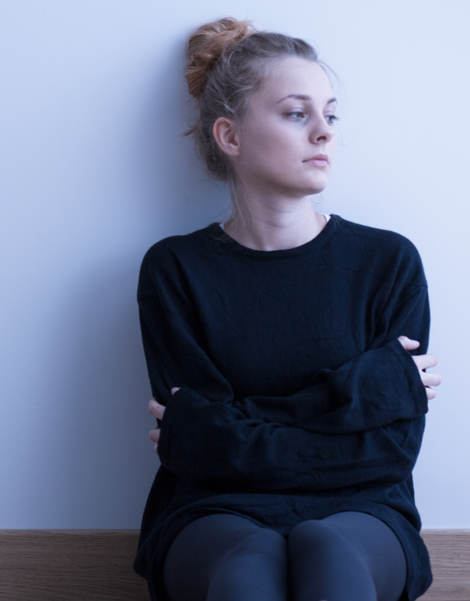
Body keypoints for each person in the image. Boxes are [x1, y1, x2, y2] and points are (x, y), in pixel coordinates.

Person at [132, 17, 442, 601]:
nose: (324, 132)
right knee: (250, 565)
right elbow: (199, 456)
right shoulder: (175, 270)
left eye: (331, 115)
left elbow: (389, 454)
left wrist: (230, 425)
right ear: (230, 136)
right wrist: (358, 392)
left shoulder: (388, 262)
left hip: (367, 507)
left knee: (327, 551)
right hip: (215, 509)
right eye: (297, 114)